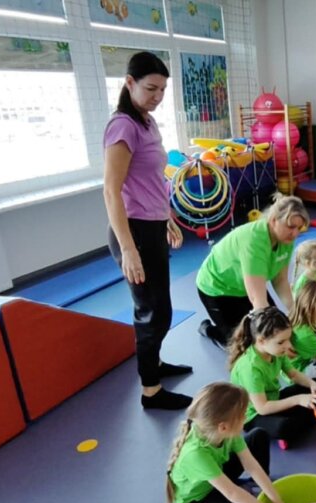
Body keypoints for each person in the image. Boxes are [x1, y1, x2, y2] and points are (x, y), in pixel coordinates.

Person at [103, 51, 191, 410]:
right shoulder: (122, 126)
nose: (158, 96)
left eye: (163, 90)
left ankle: (155, 363)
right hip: (134, 231)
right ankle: (150, 390)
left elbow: (151, 180)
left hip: (152, 225)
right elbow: (111, 190)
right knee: (151, 311)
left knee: (162, 307)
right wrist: (128, 249)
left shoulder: (146, 122)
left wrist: (166, 216)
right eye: (151, 88)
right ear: (129, 83)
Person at [167, 382, 293, 503]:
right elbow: (231, 493)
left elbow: (251, 465)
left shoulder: (226, 431)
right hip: (200, 500)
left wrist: (277, 501)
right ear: (223, 427)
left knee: (258, 436)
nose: (246, 417)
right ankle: (245, 493)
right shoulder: (195, 454)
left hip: (218, 472)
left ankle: (252, 487)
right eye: (242, 415)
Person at [196, 196, 310, 349]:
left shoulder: (285, 239)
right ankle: (209, 330)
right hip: (218, 289)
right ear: (273, 220)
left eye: (299, 228)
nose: (295, 233)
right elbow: (258, 301)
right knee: (244, 345)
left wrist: (296, 313)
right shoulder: (254, 241)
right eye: (291, 227)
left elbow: (280, 280)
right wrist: (272, 343)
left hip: (246, 287)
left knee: (280, 329)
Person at [227, 307, 316, 448]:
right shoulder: (250, 368)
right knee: (285, 427)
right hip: (254, 415)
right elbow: (262, 408)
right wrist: (298, 400)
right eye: (281, 342)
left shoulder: (276, 351)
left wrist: (313, 386)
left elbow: (293, 374)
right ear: (261, 341)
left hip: (273, 398)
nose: (288, 345)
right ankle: (293, 422)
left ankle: (303, 414)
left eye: (288, 339)